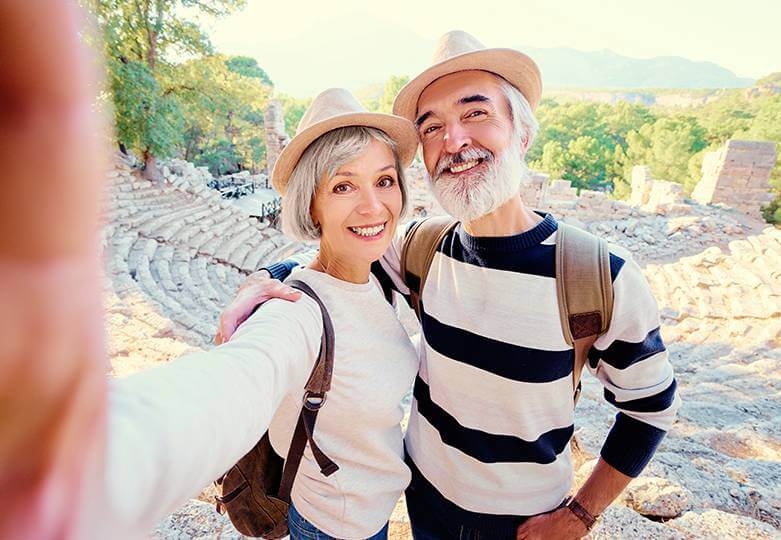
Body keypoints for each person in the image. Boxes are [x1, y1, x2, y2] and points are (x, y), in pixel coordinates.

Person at [216, 31, 682, 540]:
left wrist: (581, 514)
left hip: (525, 522)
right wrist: (267, 280)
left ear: (522, 132)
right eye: (432, 126)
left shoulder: (599, 275)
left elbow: (650, 409)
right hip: (425, 499)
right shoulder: (421, 248)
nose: (453, 141)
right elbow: (337, 253)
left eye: (476, 113)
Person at [0, 8, 423, 534]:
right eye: (342, 186)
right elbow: (233, 383)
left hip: (374, 513)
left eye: (384, 180)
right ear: (312, 205)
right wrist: (76, 460)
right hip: (331, 526)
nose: (372, 206)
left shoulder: (385, 270)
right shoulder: (294, 314)